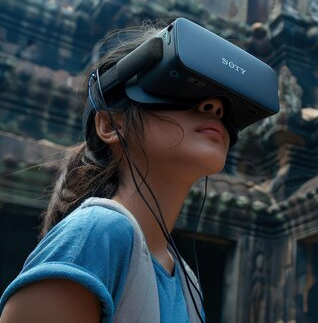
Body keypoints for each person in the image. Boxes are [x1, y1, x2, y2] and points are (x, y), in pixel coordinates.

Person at [0, 24, 243, 323]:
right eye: (181, 85)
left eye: (224, 102)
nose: (215, 106)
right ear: (110, 126)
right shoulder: (98, 233)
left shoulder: (186, 280)